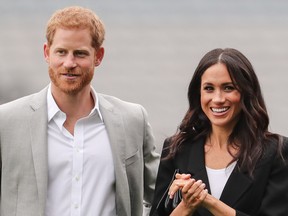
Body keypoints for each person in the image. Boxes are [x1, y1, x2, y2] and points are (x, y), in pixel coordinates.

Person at [0, 6, 160, 216]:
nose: (69, 63)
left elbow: (161, 194)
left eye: (80, 53)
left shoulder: (132, 120)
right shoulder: (6, 121)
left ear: (98, 56)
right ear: (47, 53)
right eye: (61, 52)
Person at [150, 48, 288, 216]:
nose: (218, 99)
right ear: (198, 93)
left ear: (246, 92)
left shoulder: (276, 152)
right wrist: (186, 206)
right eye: (209, 88)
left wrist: (208, 200)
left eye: (228, 88)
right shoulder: (176, 149)